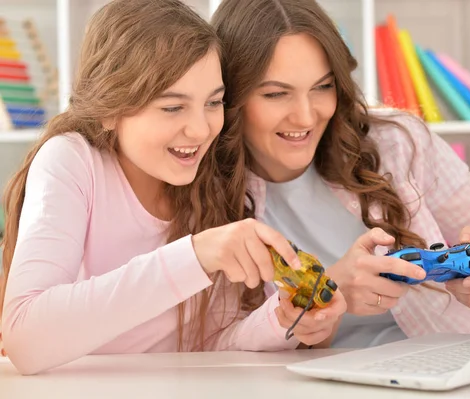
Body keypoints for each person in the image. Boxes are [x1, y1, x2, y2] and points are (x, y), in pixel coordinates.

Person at [0, 0, 345, 375]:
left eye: (213, 102)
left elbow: (208, 343)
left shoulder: (210, 178)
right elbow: (25, 338)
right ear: (109, 109)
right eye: (172, 107)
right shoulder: (73, 161)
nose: (200, 130)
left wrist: (281, 322)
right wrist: (195, 256)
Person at [211, 0, 470, 348]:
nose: (306, 116)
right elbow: (215, 345)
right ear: (229, 96)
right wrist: (332, 289)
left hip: (449, 360)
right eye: (276, 94)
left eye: (322, 87)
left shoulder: (397, 143)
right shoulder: (204, 190)